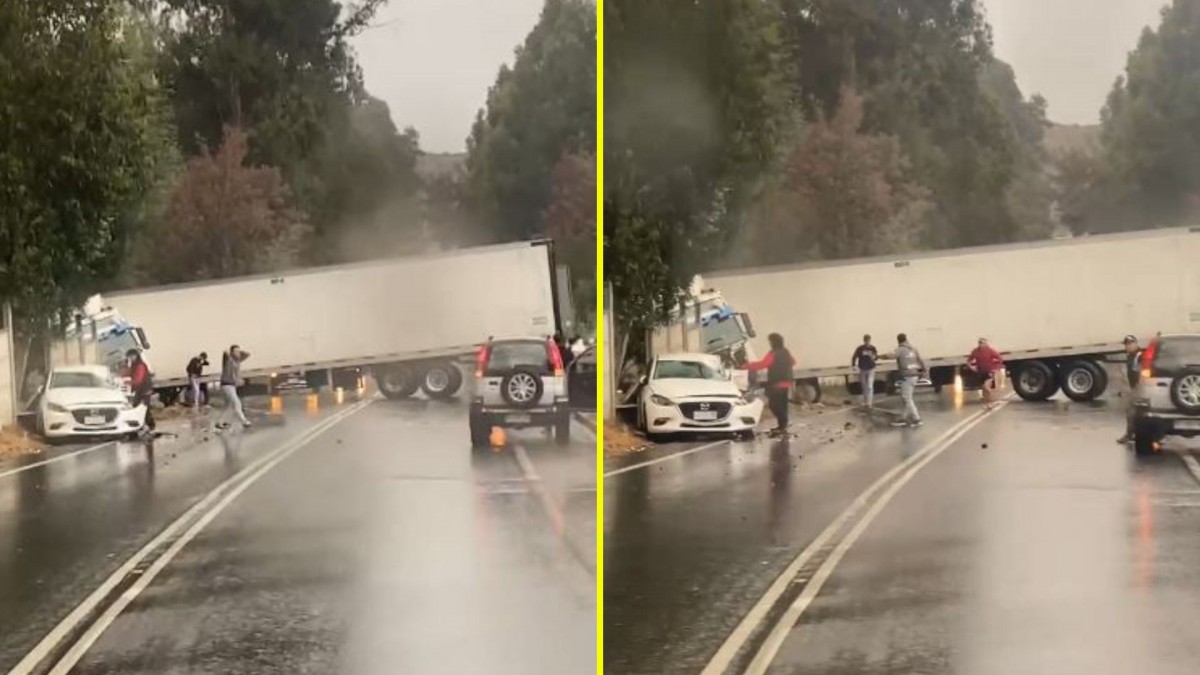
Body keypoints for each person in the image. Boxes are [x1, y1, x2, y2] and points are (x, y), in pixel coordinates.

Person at [745, 333, 797, 436]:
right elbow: (793, 362)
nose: (769, 343)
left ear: (773, 342)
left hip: (777, 383)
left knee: (774, 405)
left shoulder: (773, 353)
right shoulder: (785, 351)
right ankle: (782, 425)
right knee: (782, 405)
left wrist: (747, 366)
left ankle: (782, 424)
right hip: (786, 383)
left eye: (770, 341)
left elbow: (763, 364)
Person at [882, 333, 926, 428]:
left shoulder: (901, 350)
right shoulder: (913, 349)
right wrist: (924, 371)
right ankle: (903, 418)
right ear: (906, 339)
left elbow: (890, 356)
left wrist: (879, 356)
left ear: (898, 340)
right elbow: (920, 360)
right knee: (906, 398)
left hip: (907, 376)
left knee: (907, 398)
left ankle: (917, 419)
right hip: (914, 375)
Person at [217, 345, 252, 430]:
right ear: (232, 352)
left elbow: (248, 354)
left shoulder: (238, 361)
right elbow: (225, 352)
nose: (238, 353)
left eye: (238, 351)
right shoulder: (229, 360)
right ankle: (244, 421)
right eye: (236, 351)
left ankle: (219, 422)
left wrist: (239, 351)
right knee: (237, 402)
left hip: (232, 385)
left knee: (227, 406)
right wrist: (230, 352)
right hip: (226, 385)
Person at [1117, 334, 1142, 444]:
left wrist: (1138, 387)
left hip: (1139, 388)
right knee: (1133, 412)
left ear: (1136, 344)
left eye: (1130, 344)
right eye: (1126, 345)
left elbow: (1140, 372)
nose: (1127, 346)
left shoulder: (1139, 356)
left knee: (1132, 412)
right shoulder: (1131, 356)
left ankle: (1130, 435)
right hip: (1134, 387)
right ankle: (1133, 434)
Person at [967, 337, 1004, 408]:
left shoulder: (990, 350)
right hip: (981, 372)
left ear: (986, 344)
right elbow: (969, 360)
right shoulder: (975, 351)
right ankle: (988, 404)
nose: (981, 344)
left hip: (989, 372)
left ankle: (994, 400)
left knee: (986, 387)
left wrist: (996, 368)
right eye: (980, 343)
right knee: (984, 389)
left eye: (983, 343)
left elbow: (1000, 358)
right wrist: (971, 367)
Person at [126, 349, 155, 434]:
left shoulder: (140, 366)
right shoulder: (134, 365)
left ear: (136, 356)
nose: (130, 358)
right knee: (141, 408)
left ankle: (150, 426)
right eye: (129, 356)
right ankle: (145, 426)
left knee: (143, 409)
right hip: (140, 390)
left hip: (144, 390)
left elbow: (138, 380)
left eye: (132, 356)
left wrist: (127, 382)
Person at [850, 334, 879, 408]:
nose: (867, 342)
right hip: (862, 368)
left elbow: (876, 357)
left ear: (870, 340)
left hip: (871, 368)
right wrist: (853, 365)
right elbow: (854, 356)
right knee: (864, 386)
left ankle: (869, 402)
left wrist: (873, 357)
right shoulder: (860, 348)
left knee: (869, 385)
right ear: (864, 340)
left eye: (868, 340)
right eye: (866, 340)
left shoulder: (872, 348)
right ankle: (866, 401)